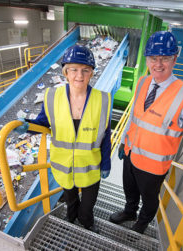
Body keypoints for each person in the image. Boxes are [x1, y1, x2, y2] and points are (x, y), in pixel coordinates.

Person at [110, 31, 183, 234]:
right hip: (131, 153)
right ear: (147, 59)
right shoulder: (143, 82)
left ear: (175, 59)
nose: (158, 64)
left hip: (154, 166)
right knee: (130, 190)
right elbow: (135, 116)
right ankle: (129, 211)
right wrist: (124, 141)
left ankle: (141, 224)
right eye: (153, 58)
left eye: (165, 58)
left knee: (149, 199)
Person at [15, 44, 112, 233]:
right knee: (70, 198)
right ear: (65, 72)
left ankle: (86, 221)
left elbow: (105, 136)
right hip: (64, 165)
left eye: (85, 70)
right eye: (73, 69)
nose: (79, 75)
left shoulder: (102, 100)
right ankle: (70, 216)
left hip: (90, 166)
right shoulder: (52, 96)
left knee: (88, 204)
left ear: (92, 73)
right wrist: (28, 125)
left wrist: (106, 163)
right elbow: (43, 124)